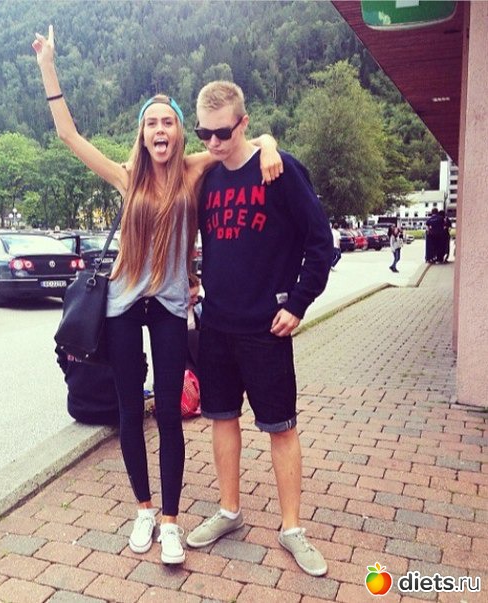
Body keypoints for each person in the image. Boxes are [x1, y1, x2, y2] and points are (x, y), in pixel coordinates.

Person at [32, 27, 282, 565]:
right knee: (129, 411)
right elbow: (69, 136)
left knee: (168, 412)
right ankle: (142, 509)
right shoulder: (127, 177)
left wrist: (268, 143)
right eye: (152, 123)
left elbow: (242, 141)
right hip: (122, 305)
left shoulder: (194, 171)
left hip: (170, 305)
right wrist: (48, 66)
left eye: (168, 122)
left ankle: (171, 520)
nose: (160, 129)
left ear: (180, 132)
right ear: (142, 134)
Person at [185, 81, 333, 577]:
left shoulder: (280, 169)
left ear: (244, 123)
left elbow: (321, 243)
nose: (213, 143)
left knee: (281, 427)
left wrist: (299, 303)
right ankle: (229, 511)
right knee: (222, 419)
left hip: (266, 328)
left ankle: (292, 529)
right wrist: (192, 279)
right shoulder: (207, 177)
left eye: (222, 133)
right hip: (217, 325)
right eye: (204, 134)